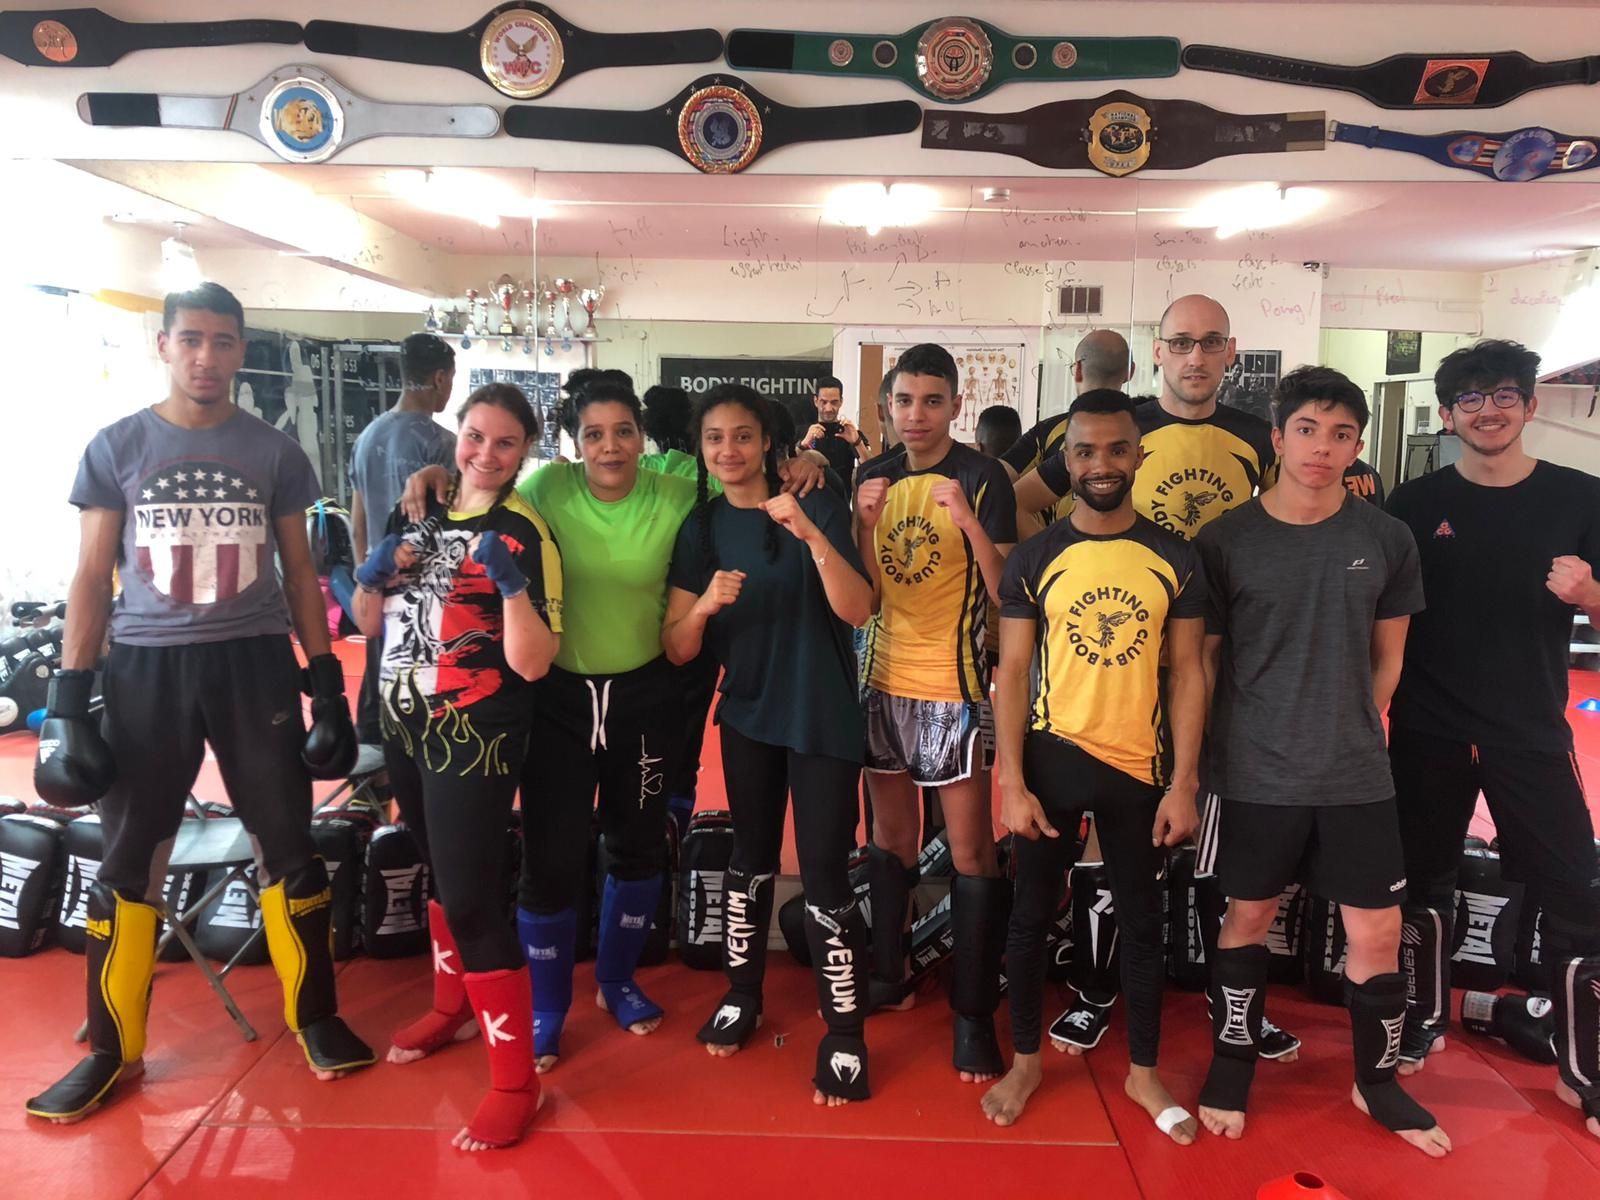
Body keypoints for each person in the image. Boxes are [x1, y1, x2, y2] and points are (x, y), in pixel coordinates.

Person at [403, 381, 823, 1074]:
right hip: (558, 701)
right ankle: (547, 1007)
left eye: (623, 431)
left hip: (645, 698)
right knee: (551, 856)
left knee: (638, 844)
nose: (609, 447)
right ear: (574, 443)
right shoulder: (547, 489)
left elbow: (740, 475)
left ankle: (618, 980)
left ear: (641, 436)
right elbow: (481, 488)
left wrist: (810, 464)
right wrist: (435, 475)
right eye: (593, 434)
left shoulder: (675, 490)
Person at [27, 283, 373, 1123]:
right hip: (146, 668)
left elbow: (300, 574)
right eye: (191, 339)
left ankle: (315, 1017)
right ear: (164, 345)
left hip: (253, 664)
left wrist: (327, 684)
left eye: (223, 341)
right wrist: (68, 699)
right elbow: (91, 575)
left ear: (241, 349)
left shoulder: (274, 452)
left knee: (286, 839)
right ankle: (111, 1051)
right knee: (128, 856)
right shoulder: (117, 446)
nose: (206, 357)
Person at [1013, 297, 1298, 1063]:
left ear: (1231, 351)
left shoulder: (1257, 438)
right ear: (1158, 351)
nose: (1196, 357)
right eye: (1181, 343)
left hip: (1222, 667)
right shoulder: (1119, 428)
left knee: (1213, 841)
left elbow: (1297, 509)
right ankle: (1095, 992)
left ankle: (1226, 999)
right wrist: (1051, 579)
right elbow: (1023, 500)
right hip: (1115, 674)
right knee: (1107, 846)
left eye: (1210, 343)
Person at [1193, 366, 1450, 1157]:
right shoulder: (1226, 539)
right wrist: (1196, 770)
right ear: (1278, 437)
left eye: (1341, 434)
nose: (1322, 447)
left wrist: (1346, 725)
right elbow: (1203, 663)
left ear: (1357, 445)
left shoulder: (1385, 538)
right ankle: (1232, 1064)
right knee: (1248, 918)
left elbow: (1389, 658)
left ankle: (1377, 1082)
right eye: (1307, 430)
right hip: (1254, 769)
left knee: (1378, 927)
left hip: (1353, 772)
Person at [1384, 340, 1600, 1140]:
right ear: (1447, 415)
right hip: (1428, 727)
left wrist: (1591, 591)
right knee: (1420, 882)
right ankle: (1420, 1022)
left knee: (1575, 893)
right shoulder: (1414, 503)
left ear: (1531, 405)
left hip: (1530, 730)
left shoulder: (1580, 497)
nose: (1489, 410)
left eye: (1505, 394)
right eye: (1470, 398)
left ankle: (1587, 1067)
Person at [984, 390, 1204, 1143]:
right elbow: (1013, 673)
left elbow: (1189, 673)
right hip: (1052, 760)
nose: (1101, 464)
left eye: (1116, 449)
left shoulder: (1176, 556)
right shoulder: (1036, 557)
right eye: (1085, 451)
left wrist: (1184, 782)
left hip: (1139, 770)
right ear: (1066, 461)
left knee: (1144, 924)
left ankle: (1143, 1071)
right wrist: (1011, 781)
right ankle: (1025, 1062)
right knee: (1029, 916)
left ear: (1139, 455)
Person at [353, 384, 561, 1151]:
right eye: (475, 436)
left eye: (505, 442)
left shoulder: (525, 530)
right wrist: (371, 575)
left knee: (473, 898)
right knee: (439, 873)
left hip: (475, 734)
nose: (486, 454)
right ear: (456, 437)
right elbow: (366, 625)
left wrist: (511, 585)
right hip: (403, 721)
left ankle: (517, 1083)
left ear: (525, 451)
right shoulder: (419, 509)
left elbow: (534, 664)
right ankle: (451, 1009)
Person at [662, 385, 876, 1106]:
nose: (728, 450)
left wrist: (813, 536)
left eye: (743, 436)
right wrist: (703, 606)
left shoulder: (814, 499)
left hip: (823, 718)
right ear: (701, 447)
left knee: (825, 873)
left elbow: (860, 608)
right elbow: (678, 646)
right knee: (748, 862)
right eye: (715, 437)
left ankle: (844, 1032)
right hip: (749, 717)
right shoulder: (700, 528)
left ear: (767, 443)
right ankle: (742, 993)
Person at [854, 343, 1018, 1083]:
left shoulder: (983, 477)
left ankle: (972, 1015)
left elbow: (1008, 591)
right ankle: (888, 975)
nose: (915, 415)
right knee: (889, 839)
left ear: (955, 405)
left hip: (955, 685)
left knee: (971, 850)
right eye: (904, 401)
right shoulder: (873, 475)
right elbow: (864, 593)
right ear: (888, 406)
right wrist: (861, 526)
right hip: (883, 679)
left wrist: (970, 523)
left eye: (930, 401)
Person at [348, 333, 457, 742]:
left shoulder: (367, 437)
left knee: (378, 692)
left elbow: (357, 523)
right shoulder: (441, 444)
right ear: (440, 378)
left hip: (377, 585)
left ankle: (371, 771)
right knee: (419, 704)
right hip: (422, 596)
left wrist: (367, 583)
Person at [999, 329, 1131, 518]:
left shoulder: (1049, 431)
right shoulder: (1148, 428)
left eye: (1117, 451)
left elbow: (994, 481)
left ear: (1078, 370)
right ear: (1130, 372)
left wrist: (1045, 538)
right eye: (1085, 453)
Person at [803, 375, 871, 487]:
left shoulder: (850, 433)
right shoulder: (805, 433)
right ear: (816, 401)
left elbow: (871, 468)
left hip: (841, 496)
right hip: (808, 496)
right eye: (823, 402)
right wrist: (803, 444)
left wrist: (857, 442)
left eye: (834, 402)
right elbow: (789, 466)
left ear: (841, 402)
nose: (828, 408)